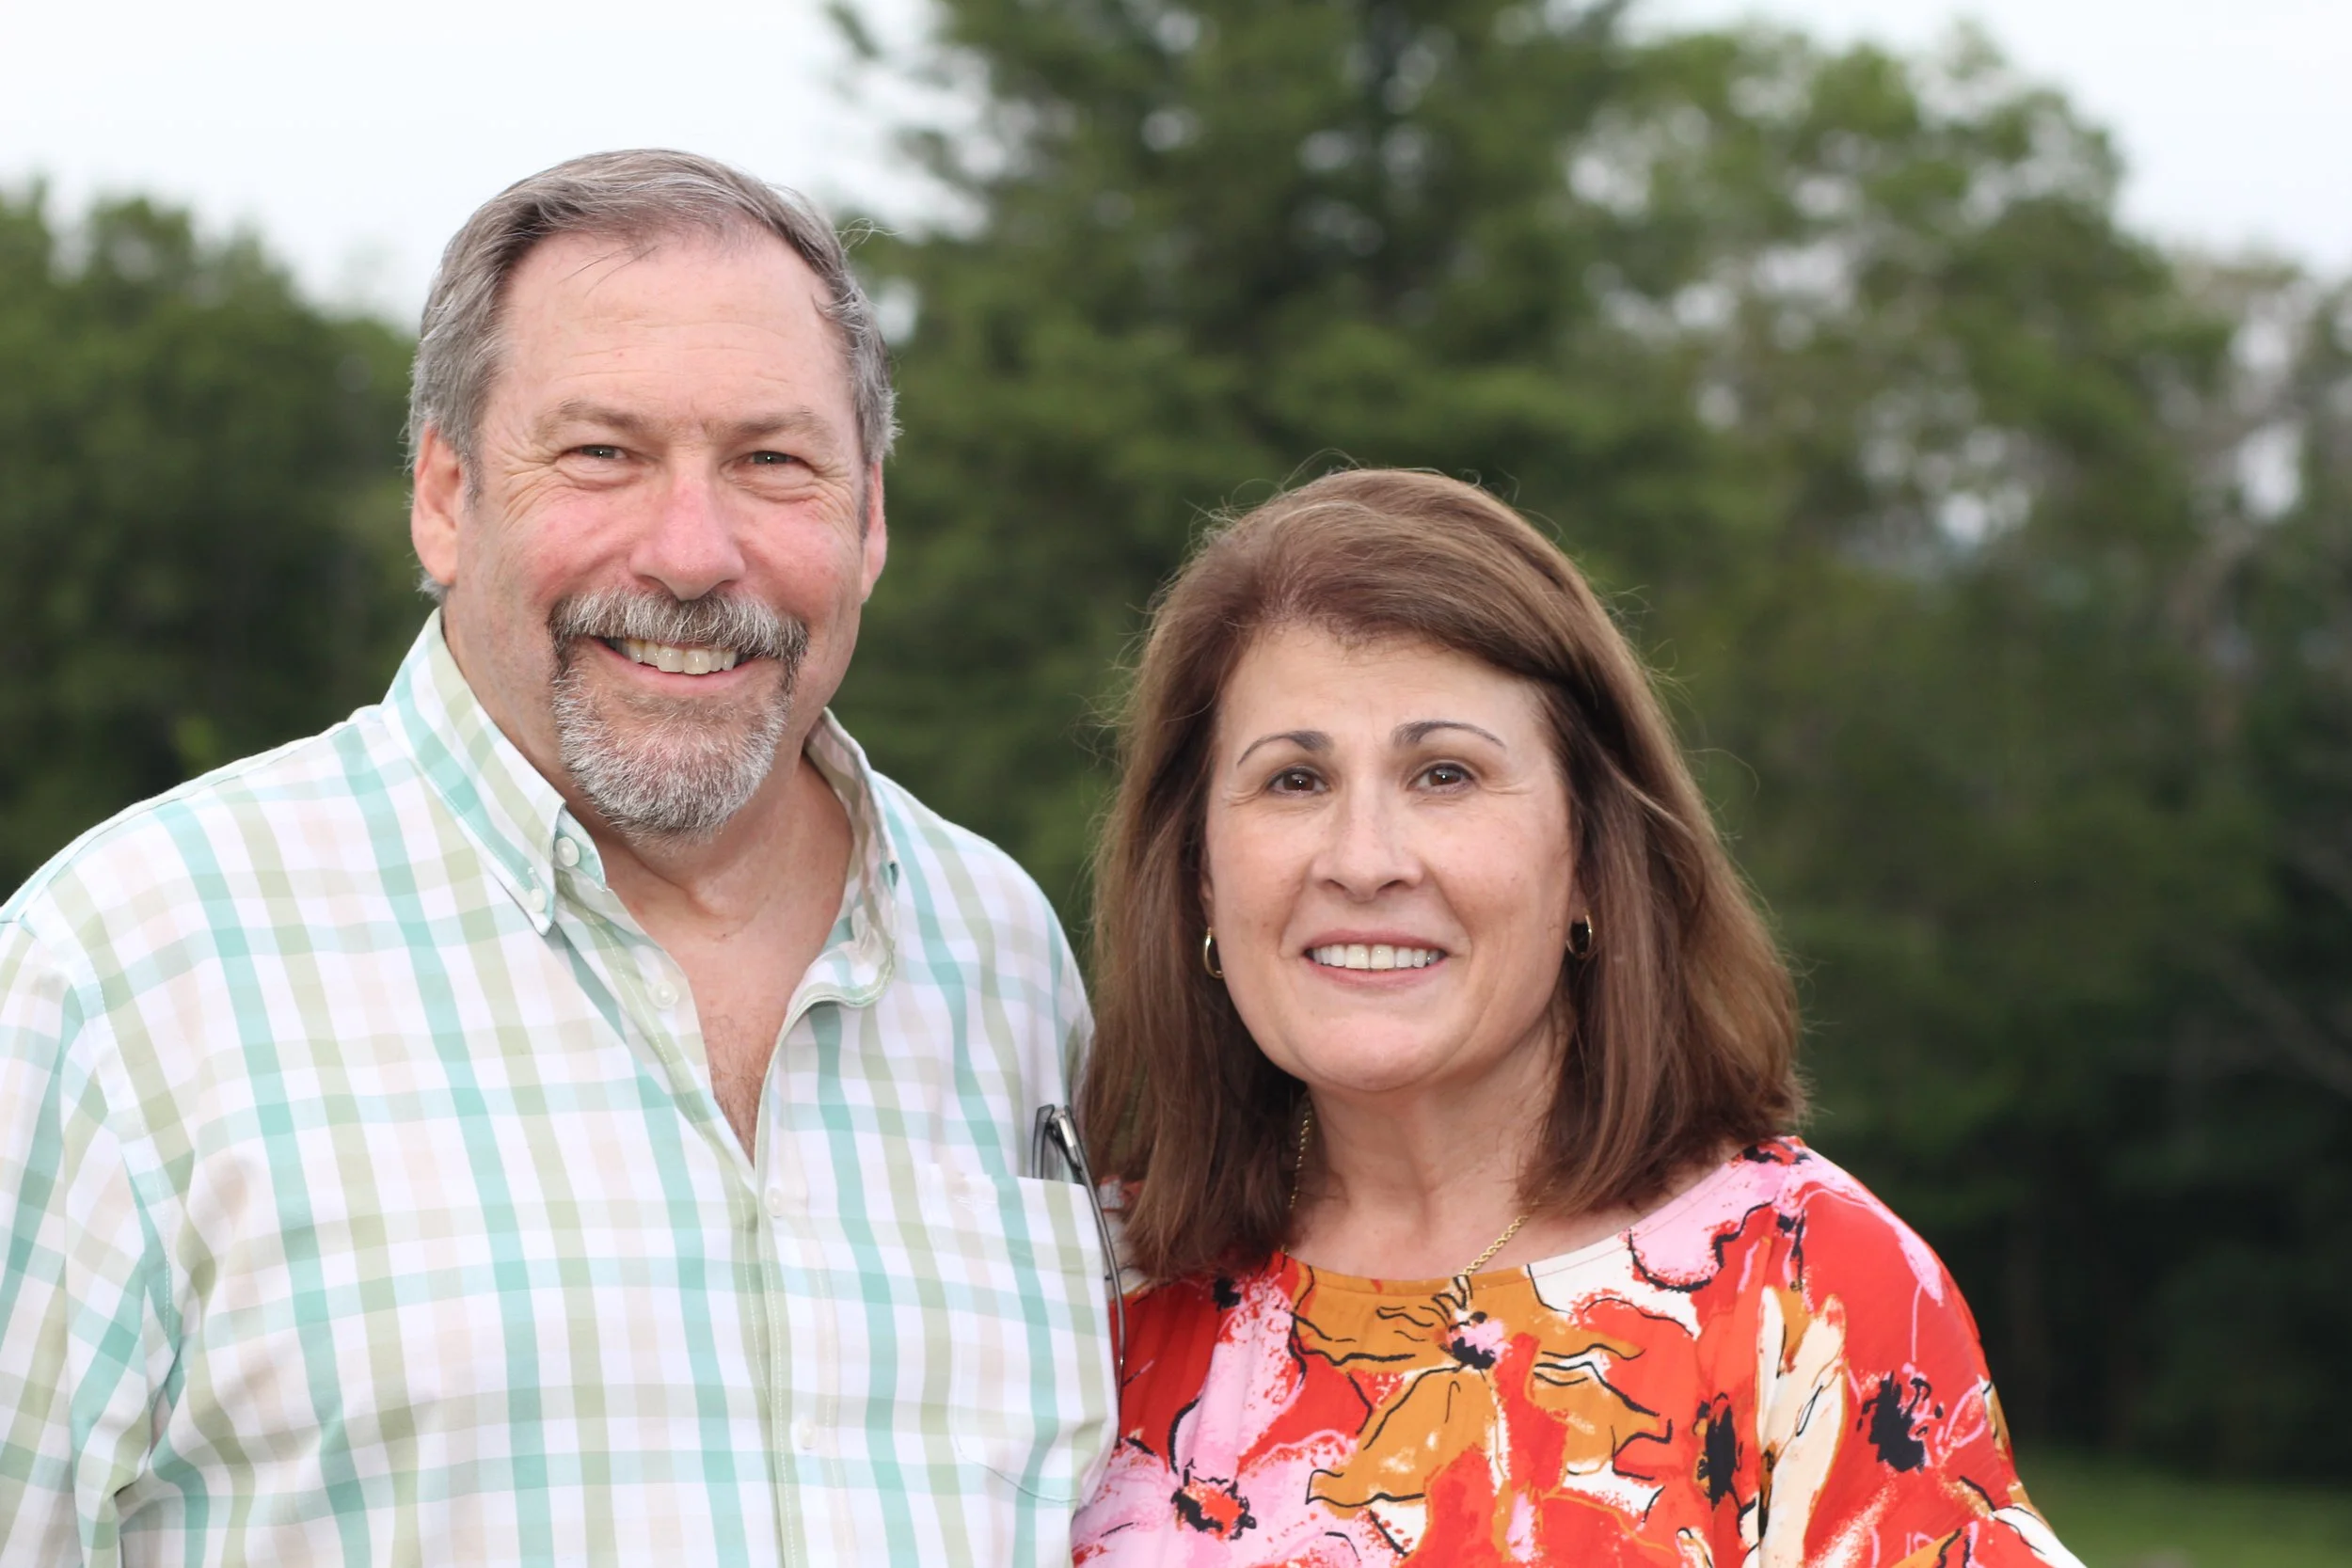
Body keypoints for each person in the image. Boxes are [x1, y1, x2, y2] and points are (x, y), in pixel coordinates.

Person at [0, 150, 1113, 1565]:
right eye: (603, 453)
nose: (694, 552)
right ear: (446, 495)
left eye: (773, 461)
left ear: (870, 516)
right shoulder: (117, 975)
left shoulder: (1003, 949)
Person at [1071, 469, 2082, 1566]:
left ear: (1594, 860)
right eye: (1293, 780)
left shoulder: (1805, 1291)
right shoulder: (1097, 1287)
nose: (1361, 860)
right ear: (1200, 881)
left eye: (1444, 772)